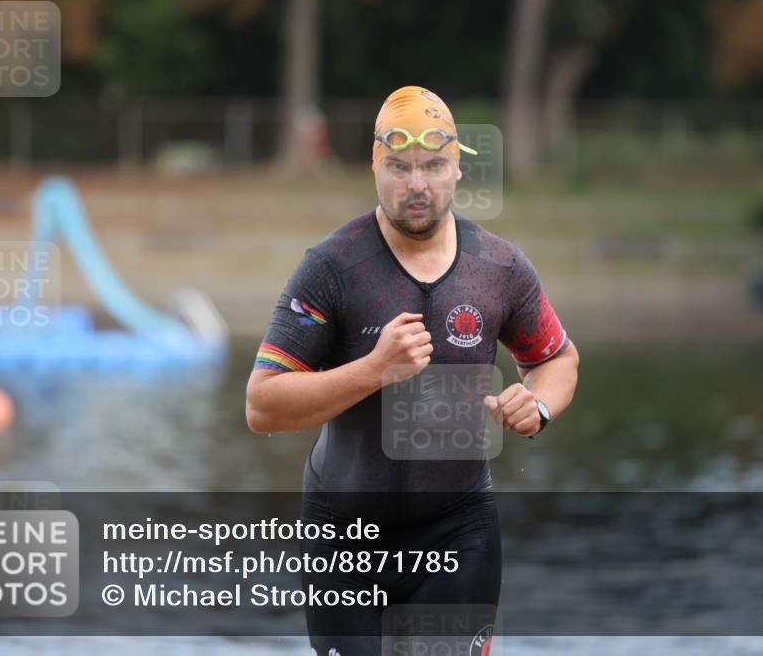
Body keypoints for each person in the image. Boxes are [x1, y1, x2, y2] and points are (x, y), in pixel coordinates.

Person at [246, 86, 579, 656]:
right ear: (375, 168)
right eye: (399, 167)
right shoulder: (332, 267)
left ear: (457, 169)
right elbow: (262, 405)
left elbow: (556, 358)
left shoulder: (499, 267)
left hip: (458, 531)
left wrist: (539, 403)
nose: (417, 184)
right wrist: (373, 370)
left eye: (433, 166)